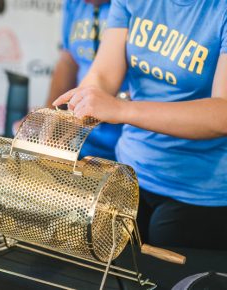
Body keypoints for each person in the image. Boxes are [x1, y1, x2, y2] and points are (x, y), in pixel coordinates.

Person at [53, 0, 227, 249]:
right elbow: (103, 75)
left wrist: (121, 109)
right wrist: (73, 114)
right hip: (130, 173)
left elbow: (222, 114)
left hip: (200, 190)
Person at [15, 0, 127, 161]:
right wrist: (49, 116)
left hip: (123, 142)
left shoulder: (130, 6)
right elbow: (68, 61)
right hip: (81, 139)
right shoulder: (74, 4)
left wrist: (117, 103)